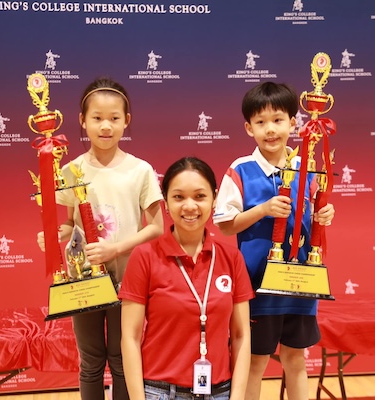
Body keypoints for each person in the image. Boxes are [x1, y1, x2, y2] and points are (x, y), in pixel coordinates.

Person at [38, 77, 164, 400]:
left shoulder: (141, 171)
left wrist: (116, 248)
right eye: (97, 118)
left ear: (127, 122)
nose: (105, 126)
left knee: (123, 359)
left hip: (129, 280)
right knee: (91, 361)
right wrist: (55, 238)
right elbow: (70, 225)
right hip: (85, 283)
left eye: (114, 118)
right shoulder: (70, 170)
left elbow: (156, 227)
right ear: (82, 120)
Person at [212, 82, 335, 400]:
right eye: (261, 122)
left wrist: (323, 214)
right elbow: (225, 224)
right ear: (248, 127)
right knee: (256, 361)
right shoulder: (240, 170)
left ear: (294, 123)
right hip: (256, 284)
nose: (270, 129)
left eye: (278, 120)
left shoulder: (307, 168)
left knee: (296, 359)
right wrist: (262, 210)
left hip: (300, 281)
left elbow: (313, 214)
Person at [119, 157, 254, 400]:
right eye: (179, 197)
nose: (189, 206)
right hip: (159, 393)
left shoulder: (231, 258)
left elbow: (241, 335)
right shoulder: (145, 257)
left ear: (214, 200)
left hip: (220, 392)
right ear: (166, 203)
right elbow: (130, 336)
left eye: (200, 196)